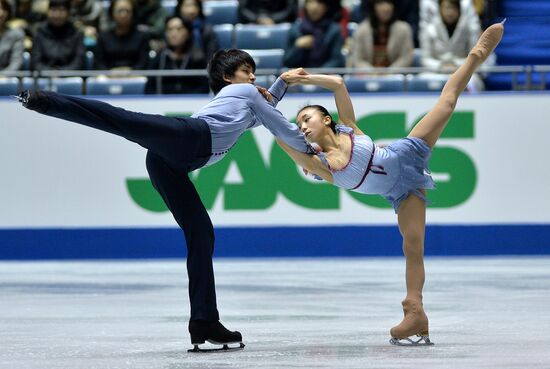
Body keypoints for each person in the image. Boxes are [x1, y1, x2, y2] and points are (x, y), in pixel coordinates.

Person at [14, 50, 314, 352]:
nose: (252, 76)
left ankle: (204, 321)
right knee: (124, 121)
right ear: (227, 77)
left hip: (169, 163)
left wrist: (282, 82)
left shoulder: (246, 103)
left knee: (201, 232)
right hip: (189, 137)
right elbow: (279, 124)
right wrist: (315, 154)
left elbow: (265, 110)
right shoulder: (247, 92)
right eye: (247, 70)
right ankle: (46, 101)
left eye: (254, 71)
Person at [276, 22, 504, 345]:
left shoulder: (348, 128)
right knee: (413, 246)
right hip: (401, 190)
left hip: (405, 151)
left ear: (326, 119)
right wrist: (267, 115)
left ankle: (475, 55)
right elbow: (285, 144)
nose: (302, 126)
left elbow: (339, 84)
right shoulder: (321, 166)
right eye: (299, 124)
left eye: (306, 119)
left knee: (447, 103)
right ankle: (416, 311)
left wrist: (303, 79)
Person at [419, 0, 492, 91]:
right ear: (440, 9)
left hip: (462, 70)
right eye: (446, 8)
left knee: (473, 82)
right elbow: (425, 59)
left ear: (459, 10)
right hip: (437, 72)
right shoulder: (429, 29)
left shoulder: (469, 28)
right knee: (422, 81)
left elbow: (474, 57)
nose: (450, 12)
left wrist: (456, 66)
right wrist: (441, 66)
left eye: (453, 8)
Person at [145, 15, 209, 94]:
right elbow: (149, 90)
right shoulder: (159, 59)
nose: (174, 33)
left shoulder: (198, 59)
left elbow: (204, 89)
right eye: (170, 29)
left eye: (179, 29)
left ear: (188, 32)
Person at [351, 0, 414, 68]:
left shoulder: (403, 29)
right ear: (373, 7)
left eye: (389, 3)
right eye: (380, 3)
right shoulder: (361, 30)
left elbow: (406, 58)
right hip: (368, 76)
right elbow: (358, 59)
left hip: (396, 76)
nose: (386, 8)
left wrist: (389, 73)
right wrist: (372, 73)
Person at [283, 0, 345, 68]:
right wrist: (297, 47)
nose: (314, 7)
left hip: (324, 75)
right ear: (305, 5)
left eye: (319, 2)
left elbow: (336, 60)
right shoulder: (295, 29)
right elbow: (287, 62)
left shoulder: (334, 30)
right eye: (311, 2)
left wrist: (317, 75)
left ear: (326, 7)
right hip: (299, 75)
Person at [94, 0, 149, 70]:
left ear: (133, 13)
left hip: (135, 77)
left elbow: (144, 63)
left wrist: (130, 72)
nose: (123, 15)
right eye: (120, 11)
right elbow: (98, 63)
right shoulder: (103, 37)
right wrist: (110, 73)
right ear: (112, 13)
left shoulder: (142, 37)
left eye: (127, 11)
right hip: (108, 78)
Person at [30, 0, 85, 70]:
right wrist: (51, 73)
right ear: (48, 11)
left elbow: (79, 62)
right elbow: (35, 63)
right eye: (53, 10)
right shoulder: (40, 32)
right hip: (44, 76)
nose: (57, 15)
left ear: (68, 13)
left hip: (71, 76)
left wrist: (61, 73)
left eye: (61, 10)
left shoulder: (77, 33)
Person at [0, 0, 25, 71]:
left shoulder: (17, 34)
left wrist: (2, 76)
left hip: (7, 79)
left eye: (3, 9)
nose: (0, 13)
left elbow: (16, 63)